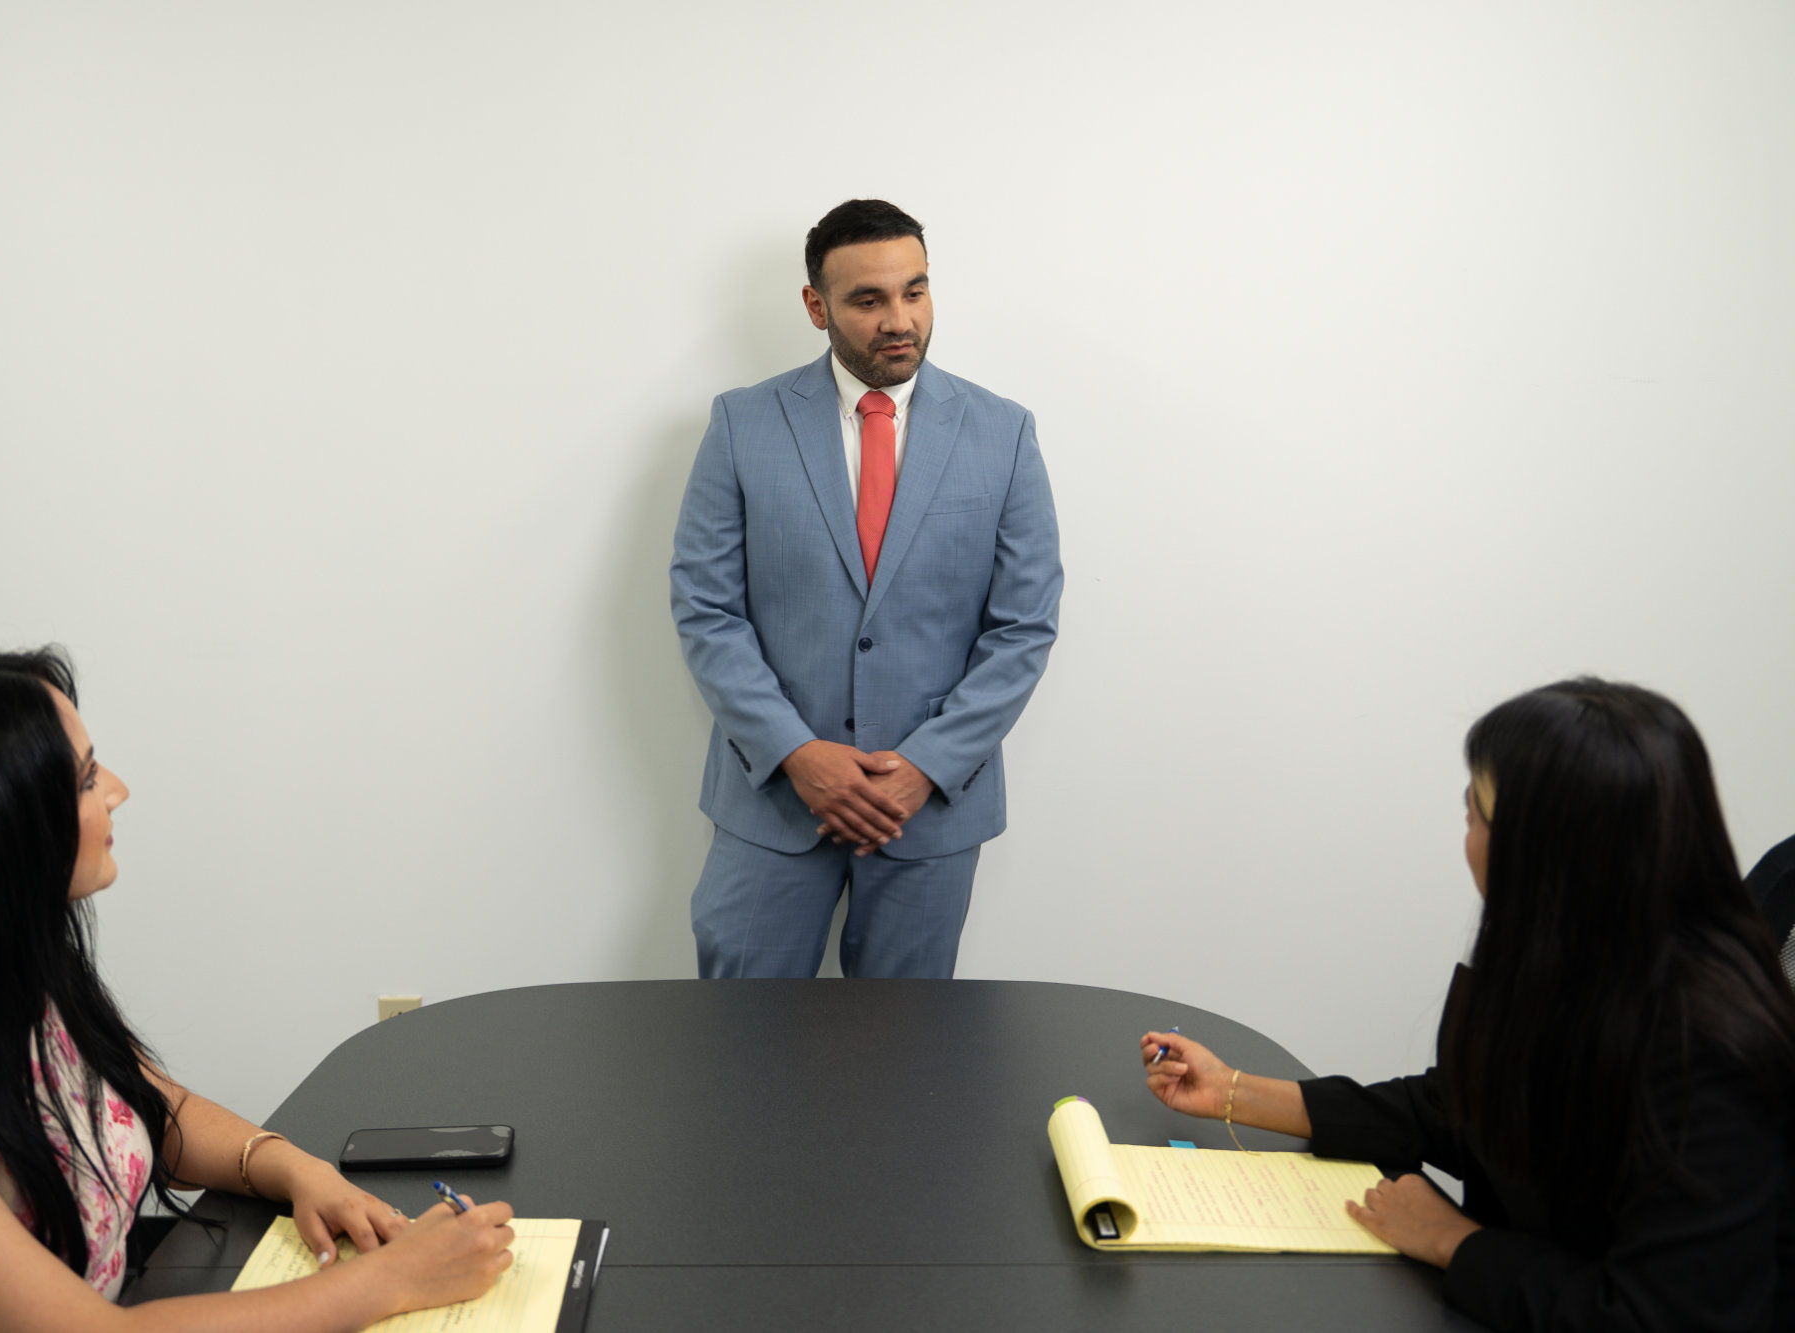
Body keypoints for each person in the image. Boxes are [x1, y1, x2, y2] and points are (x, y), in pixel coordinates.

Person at [0, 649, 516, 1333]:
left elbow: (144, 1104)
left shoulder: (6, 979)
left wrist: (297, 1169)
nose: (117, 790)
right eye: (85, 778)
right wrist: (397, 1278)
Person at [1140, 679, 1795, 1332]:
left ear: (1544, 855)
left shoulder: (1710, 1054)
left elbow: (1663, 1316)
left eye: (1476, 811)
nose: (1467, 830)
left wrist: (1453, 1240)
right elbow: (1459, 1109)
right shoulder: (1577, 966)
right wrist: (1232, 1091)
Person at [670, 199, 1063, 979]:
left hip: (929, 810)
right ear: (816, 306)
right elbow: (707, 610)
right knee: (738, 1037)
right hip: (773, 804)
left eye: (915, 291)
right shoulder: (743, 425)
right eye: (868, 299)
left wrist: (926, 765)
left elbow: (1023, 626)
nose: (899, 320)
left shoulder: (1004, 432)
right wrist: (796, 753)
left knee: (905, 1043)